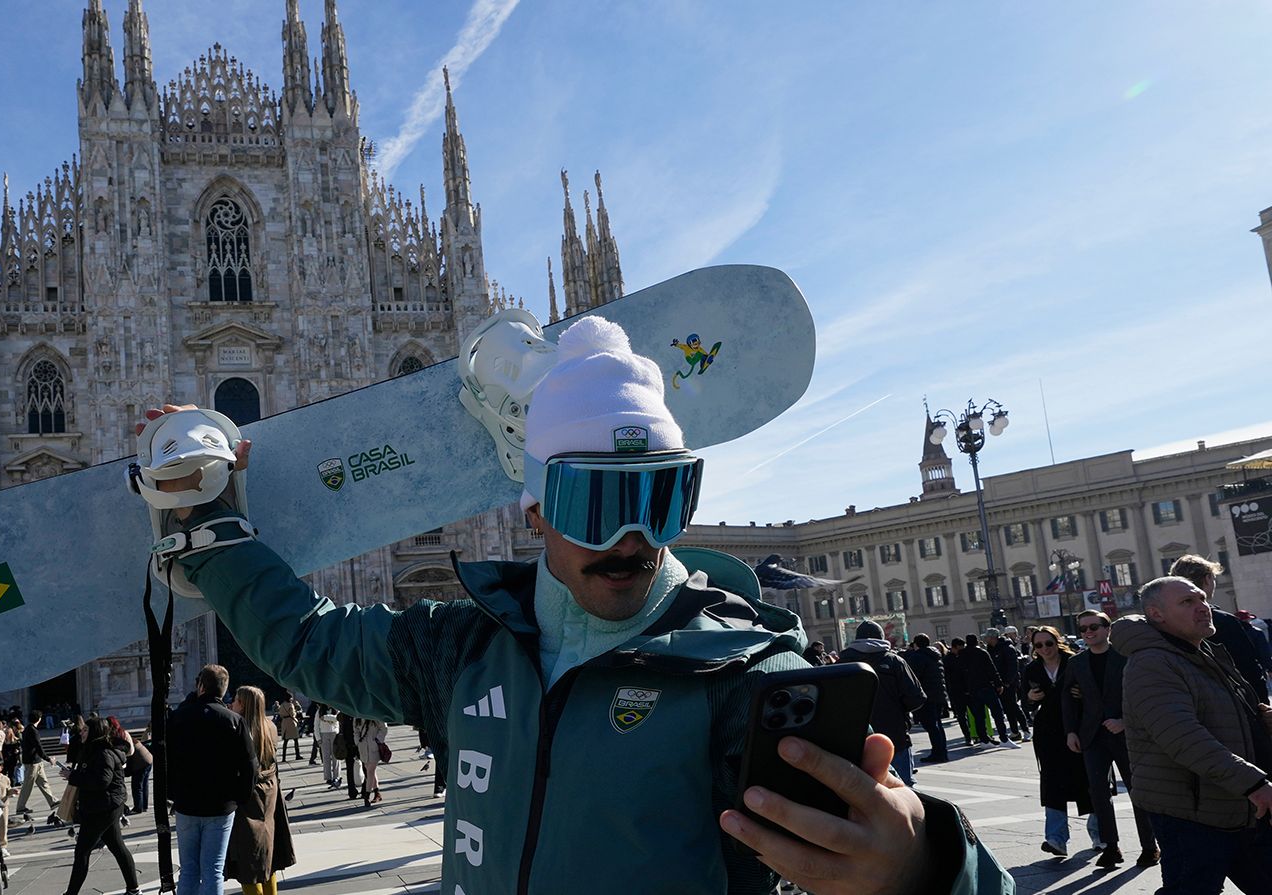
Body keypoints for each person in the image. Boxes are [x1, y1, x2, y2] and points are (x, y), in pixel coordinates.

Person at [133, 316, 1010, 893]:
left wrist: (924, 859)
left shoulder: (749, 679)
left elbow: (884, 846)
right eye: (597, 503)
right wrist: (216, 533)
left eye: (659, 501)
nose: (632, 537)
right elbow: (308, 642)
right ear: (538, 505)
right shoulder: (464, 651)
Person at [1118, 575, 1272, 889]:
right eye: (1188, 602)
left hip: (1237, 806)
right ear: (1157, 614)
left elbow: (1226, 718)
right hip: (1193, 814)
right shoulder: (1152, 662)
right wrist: (1254, 783)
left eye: (1202, 598)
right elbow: (1184, 737)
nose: (1203, 607)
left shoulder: (1201, 653)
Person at [1062, 607, 1159, 868]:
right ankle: (1111, 847)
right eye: (1083, 629)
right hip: (1091, 736)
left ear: (1107, 629)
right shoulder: (1076, 662)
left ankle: (1150, 847)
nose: (1088, 633)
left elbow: (1142, 695)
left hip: (1127, 735)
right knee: (1098, 794)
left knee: (1138, 791)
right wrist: (1071, 731)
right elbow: (1067, 700)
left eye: (1094, 627)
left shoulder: (1126, 657)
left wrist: (1126, 722)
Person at [166, 664, 257, 895]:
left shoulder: (178, 717)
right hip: (221, 806)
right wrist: (240, 798)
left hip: (186, 804)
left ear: (201, 686)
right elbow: (250, 766)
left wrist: (171, 794)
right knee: (213, 870)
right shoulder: (234, 720)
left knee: (188, 870)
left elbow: (165, 759)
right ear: (224, 690)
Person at [1020, 625, 1094, 856]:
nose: (1044, 649)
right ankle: (1056, 839)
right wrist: (1030, 699)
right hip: (1048, 732)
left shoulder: (1075, 662)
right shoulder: (1032, 668)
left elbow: (1093, 691)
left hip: (1077, 726)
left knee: (1089, 780)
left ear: (1057, 642)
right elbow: (1024, 701)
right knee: (1052, 784)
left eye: (1048, 643)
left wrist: (1084, 695)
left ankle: (1100, 835)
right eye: (1039, 645)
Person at [836, 622, 926, 786]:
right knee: (903, 788)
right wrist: (898, 710)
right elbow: (916, 697)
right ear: (882, 638)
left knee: (859, 792)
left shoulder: (841, 663)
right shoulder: (894, 661)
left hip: (854, 739)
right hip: (894, 734)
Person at [1172, 554, 1271, 703]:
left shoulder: (1167, 622)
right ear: (1207, 579)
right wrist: (1263, 706)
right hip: (1232, 704)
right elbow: (1248, 669)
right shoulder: (1224, 622)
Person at [227, 686, 296, 895]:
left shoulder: (240, 731)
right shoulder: (270, 727)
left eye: (236, 701)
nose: (232, 704)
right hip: (270, 794)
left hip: (248, 798)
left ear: (244, 705)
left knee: (247, 861)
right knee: (268, 856)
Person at [63, 716, 141, 895]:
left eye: (85, 730)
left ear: (95, 732)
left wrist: (73, 776)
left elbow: (101, 781)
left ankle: (71, 893)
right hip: (105, 805)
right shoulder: (94, 749)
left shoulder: (103, 753)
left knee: (82, 851)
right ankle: (134, 889)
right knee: (117, 847)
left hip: (102, 808)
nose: (81, 732)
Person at [903, 634, 952, 763]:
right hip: (939, 695)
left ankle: (938, 753)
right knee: (937, 726)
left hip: (927, 696)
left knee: (931, 726)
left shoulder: (918, 657)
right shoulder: (935, 656)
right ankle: (941, 751)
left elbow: (914, 677)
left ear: (916, 644)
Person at [957, 634, 1012, 747]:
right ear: (976, 641)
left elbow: (960, 674)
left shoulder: (961, 655)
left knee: (979, 716)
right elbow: (992, 670)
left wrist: (965, 689)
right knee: (997, 713)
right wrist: (998, 684)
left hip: (972, 689)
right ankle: (1004, 738)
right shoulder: (982, 653)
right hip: (986, 686)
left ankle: (984, 740)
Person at [984, 628, 1029, 742]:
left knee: (1013, 706)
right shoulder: (991, 649)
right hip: (999, 684)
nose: (985, 639)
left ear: (993, 637)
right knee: (1007, 708)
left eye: (987, 637)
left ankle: (1026, 730)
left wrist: (1008, 682)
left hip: (1009, 683)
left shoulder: (1007, 648)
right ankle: (1015, 732)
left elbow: (1013, 667)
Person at [16, 709, 59, 817]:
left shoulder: (27, 729)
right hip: (32, 762)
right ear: (39, 719)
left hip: (35, 761)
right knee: (27, 785)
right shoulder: (32, 730)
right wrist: (48, 759)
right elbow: (38, 746)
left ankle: (52, 801)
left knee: (44, 782)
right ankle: (20, 807)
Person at [355, 716, 388, 806]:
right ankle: (377, 792)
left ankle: (367, 795)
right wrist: (358, 742)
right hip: (363, 748)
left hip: (374, 748)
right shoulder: (357, 715)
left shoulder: (374, 713)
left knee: (370, 771)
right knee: (370, 771)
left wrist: (377, 740)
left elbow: (384, 728)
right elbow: (356, 730)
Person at [315, 704, 340, 785]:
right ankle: (328, 777)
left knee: (336, 757)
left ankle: (336, 776)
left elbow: (337, 719)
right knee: (326, 757)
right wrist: (318, 738)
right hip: (324, 734)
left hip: (335, 734)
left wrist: (325, 717)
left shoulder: (336, 709)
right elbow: (316, 725)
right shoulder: (319, 711)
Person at [276, 695, 303, 762]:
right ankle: (297, 755)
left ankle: (284, 757)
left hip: (284, 723)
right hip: (291, 722)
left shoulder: (282, 705)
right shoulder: (291, 705)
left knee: (285, 741)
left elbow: (280, 714)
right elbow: (293, 714)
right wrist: (296, 712)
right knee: (295, 739)